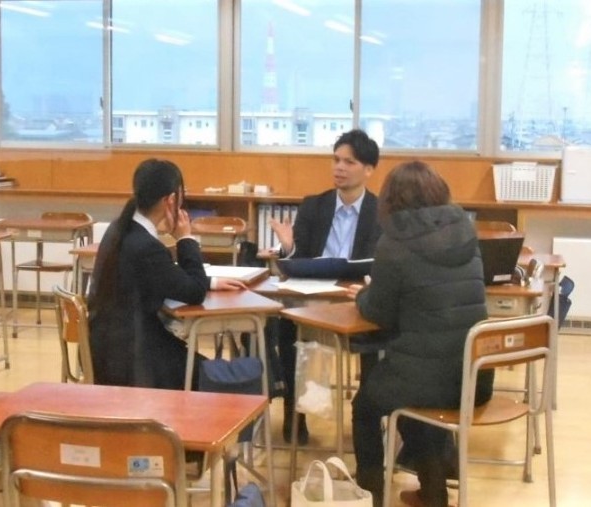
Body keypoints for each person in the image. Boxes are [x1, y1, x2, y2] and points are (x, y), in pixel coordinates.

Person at [347, 160, 495, 507]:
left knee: (366, 405)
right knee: (412, 402)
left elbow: (379, 312)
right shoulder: (466, 231)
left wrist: (362, 294)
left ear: (391, 199)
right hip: (474, 378)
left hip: (427, 378)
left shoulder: (394, 242)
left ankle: (370, 495)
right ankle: (433, 494)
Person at [88, 158, 246, 390]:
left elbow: (165, 278)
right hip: (137, 361)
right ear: (171, 200)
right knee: (219, 379)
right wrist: (185, 238)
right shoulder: (146, 246)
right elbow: (194, 293)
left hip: (112, 351)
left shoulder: (120, 228)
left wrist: (210, 281)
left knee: (202, 366)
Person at [269, 128, 382, 445]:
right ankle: (294, 413)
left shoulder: (380, 211)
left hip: (355, 298)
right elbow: (298, 259)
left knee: (379, 327)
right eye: (336, 160)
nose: (339, 167)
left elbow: (377, 262)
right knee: (285, 324)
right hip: (313, 297)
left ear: (369, 169)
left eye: (349, 162)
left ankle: (368, 419)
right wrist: (288, 247)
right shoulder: (313, 206)